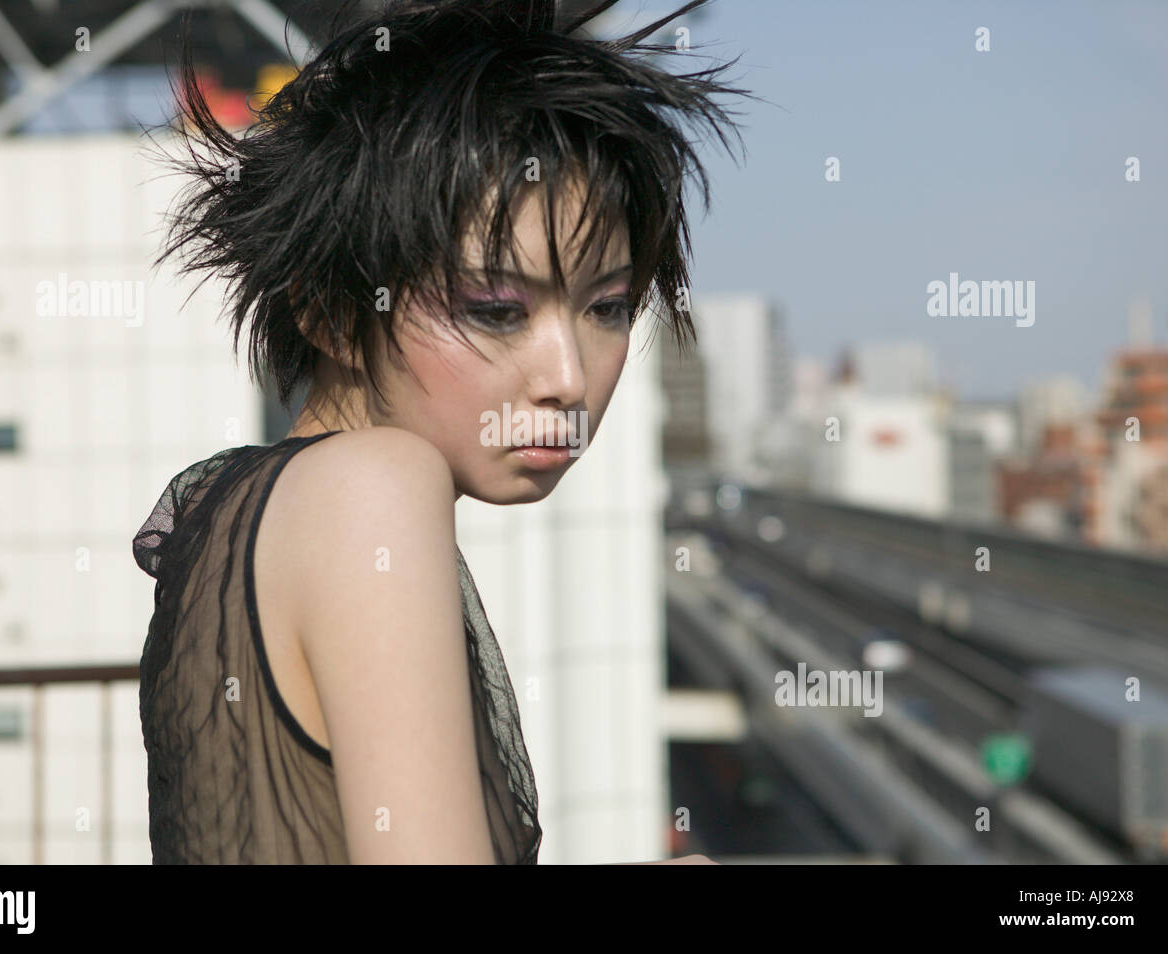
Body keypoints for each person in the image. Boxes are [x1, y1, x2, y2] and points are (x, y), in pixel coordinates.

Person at [133, 0, 754, 864]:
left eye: (608, 307)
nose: (568, 378)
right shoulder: (370, 490)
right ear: (330, 310)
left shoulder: (242, 510)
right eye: (497, 309)